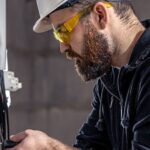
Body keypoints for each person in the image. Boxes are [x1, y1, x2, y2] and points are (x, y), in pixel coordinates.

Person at [6, 0, 150, 150]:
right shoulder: (110, 81)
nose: (63, 47)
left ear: (100, 15)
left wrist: (50, 147)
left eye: (64, 31)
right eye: (58, 36)